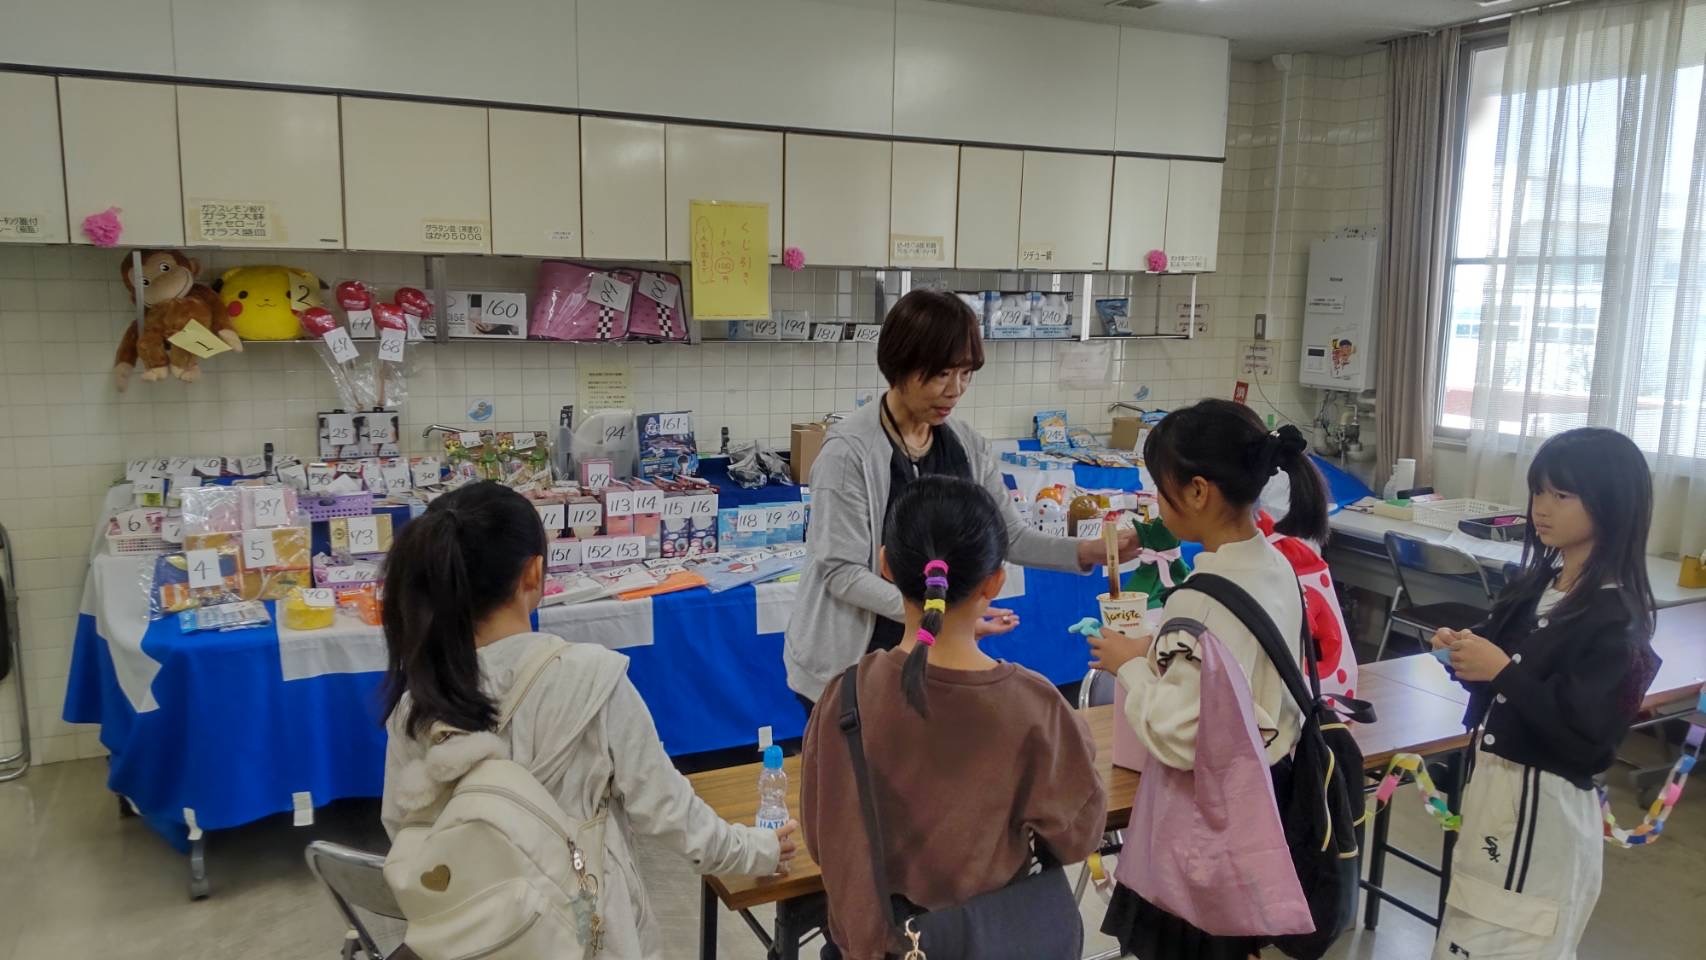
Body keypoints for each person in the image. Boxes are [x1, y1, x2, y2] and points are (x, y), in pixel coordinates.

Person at [378, 482, 798, 959]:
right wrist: (757, 850)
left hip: (473, 939)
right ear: (533, 573)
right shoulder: (591, 679)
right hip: (586, 931)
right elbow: (670, 813)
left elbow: (403, 829)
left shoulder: (416, 703)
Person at [786, 288, 1142, 708]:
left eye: (966, 373)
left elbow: (1009, 536)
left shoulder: (967, 446)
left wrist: (1088, 551)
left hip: (935, 657)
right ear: (899, 365)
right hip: (852, 665)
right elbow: (842, 572)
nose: (955, 390)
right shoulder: (849, 454)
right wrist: (942, 617)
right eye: (941, 374)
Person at [802, 475, 1107, 960]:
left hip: (879, 946)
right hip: (997, 941)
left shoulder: (846, 696)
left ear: (886, 566)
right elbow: (1077, 838)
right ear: (995, 582)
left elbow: (822, 837)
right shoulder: (1034, 705)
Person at [1086, 399, 1330, 959]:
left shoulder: (1200, 599)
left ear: (1198, 491)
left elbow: (1180, 736)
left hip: (1207, 827)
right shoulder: (1275, 565)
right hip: (1272, 793)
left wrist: (1128, 666)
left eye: (1160, 486)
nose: (1156, 500)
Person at [1429, 428, 1660, 960]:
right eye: (1538, 491)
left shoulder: (1617, 618)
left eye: (1562, 495)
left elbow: (1589, 743)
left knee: (1507, 940)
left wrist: (1500, 671)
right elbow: (1501, 676)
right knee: (1466, 929)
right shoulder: (1538, 585)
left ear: (1610, 503)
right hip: (1495, 788)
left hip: (1543, 806)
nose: (1542, 508)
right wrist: (1462, 653)